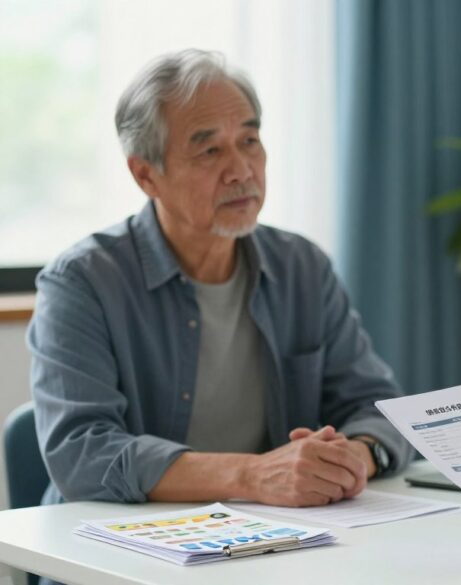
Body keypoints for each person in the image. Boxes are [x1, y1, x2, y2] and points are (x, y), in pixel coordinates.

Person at [28, 49, 414, 511]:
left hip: (268, 540)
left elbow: (378, 406)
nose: (241, 170)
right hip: (117, 548)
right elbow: (80, 453)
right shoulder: (82, 283)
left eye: (249, 141)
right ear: (146, 174)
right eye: (209, 149)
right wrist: (253, 474)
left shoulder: (301, 267)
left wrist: (356, 455)